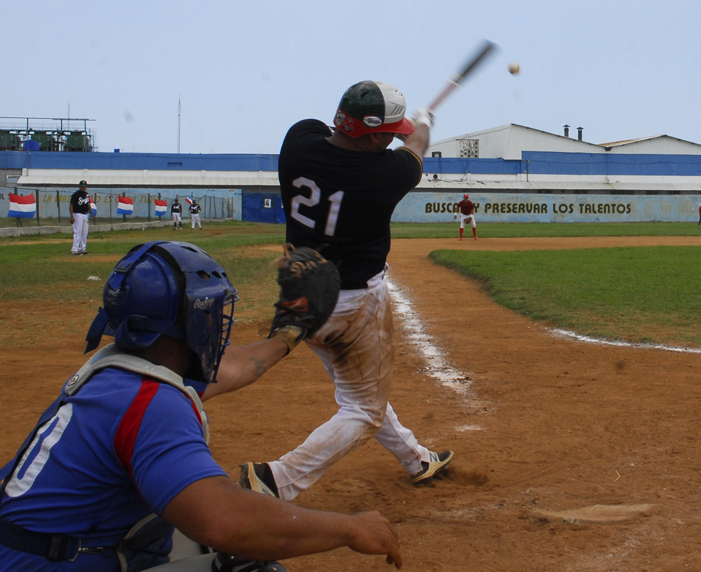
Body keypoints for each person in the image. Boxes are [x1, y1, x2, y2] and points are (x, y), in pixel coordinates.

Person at [0, 241, 403, 571]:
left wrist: (291, 330)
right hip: (46, 563)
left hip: (35, 549)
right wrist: (350, 529)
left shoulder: (120, 371)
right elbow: (224, 520)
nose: (216, 323)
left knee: (180, 533)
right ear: (188, 322)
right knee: (248, 558)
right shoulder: (152, 404)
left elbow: (236, 368)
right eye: (210, 312)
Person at [242, 80, 453, 502]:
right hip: (357, 304)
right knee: (363, 409)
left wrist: (381, 125)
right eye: (387, 134)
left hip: (302, 298)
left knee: (359, 389)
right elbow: (417, 144)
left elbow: (331, 132)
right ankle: (279, 480)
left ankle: (416, 459)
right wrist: (424, 123)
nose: (392, 139)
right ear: (372, 133)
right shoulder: (389, 174)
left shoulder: (298, 142)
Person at [69, 180, 92, 255]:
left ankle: (82, 248)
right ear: (79, 186)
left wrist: (92, 214)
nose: (83, 188)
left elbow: (88, 205)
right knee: (78, 232)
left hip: (85, 214)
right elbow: (71, 205)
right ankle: (74, 249)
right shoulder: (75, 195)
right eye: (82, 186)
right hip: (78, 214)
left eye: (84, 186)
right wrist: (72, 216)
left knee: (84, 232)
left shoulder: (86, 194)